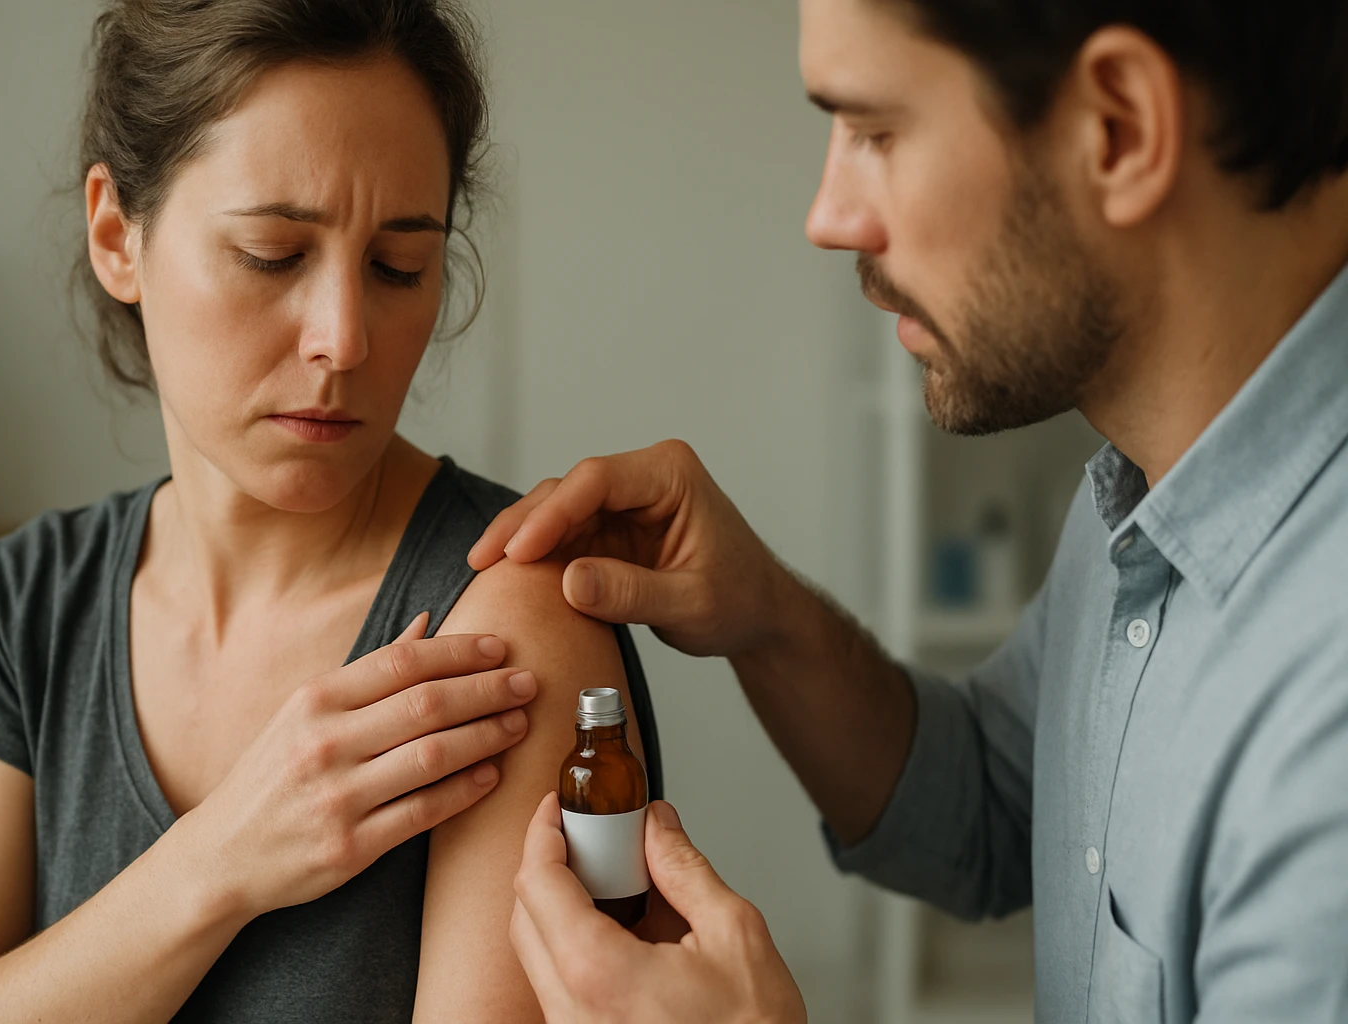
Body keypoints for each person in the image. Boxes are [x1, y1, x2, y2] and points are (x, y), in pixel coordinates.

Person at [490, 0, 1348, 1021]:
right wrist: (764, 613)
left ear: (1118, 130)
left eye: (875, 133)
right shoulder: (1154, 478)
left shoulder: (1324, 740)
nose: (829, 216)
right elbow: (991, 802)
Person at [0, 2, 662, 1022]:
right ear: (116, 235)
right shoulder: (23, 604)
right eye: (273, 253)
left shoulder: (507, 622)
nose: (345, 339)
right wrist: (219, 862)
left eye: (399, 266)